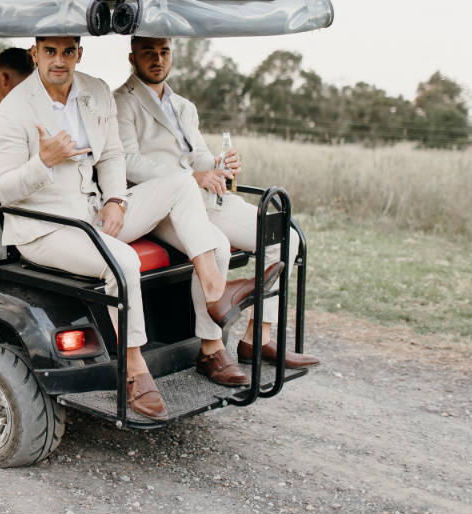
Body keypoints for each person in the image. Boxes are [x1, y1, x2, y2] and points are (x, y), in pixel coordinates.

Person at [0, 36, 247, 421]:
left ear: (80, 52)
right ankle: (134, 369)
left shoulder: (94, 90)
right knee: (123, 261)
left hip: (95, 213)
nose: (59, 61)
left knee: (187, 196)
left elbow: (111, 155)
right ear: (35, 53)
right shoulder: (12, 110)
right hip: (45, 228)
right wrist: (42, 162)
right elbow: (2, 189)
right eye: (50, 52)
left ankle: (214, 292)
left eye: (67, 52)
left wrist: (115, 199)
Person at [113, 36, 319, 371]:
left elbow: (199, 157)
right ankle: (210, 347)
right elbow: (128, 162)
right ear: (132, 57)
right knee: (217, 246)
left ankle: (257, 338)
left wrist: (219, 165)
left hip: (206, 197)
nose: (157, 59)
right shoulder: (123, 101)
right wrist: (191, 179)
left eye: (164, 52)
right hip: (161, 205)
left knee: (285, 236)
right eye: (148, 53)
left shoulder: (183, 106)